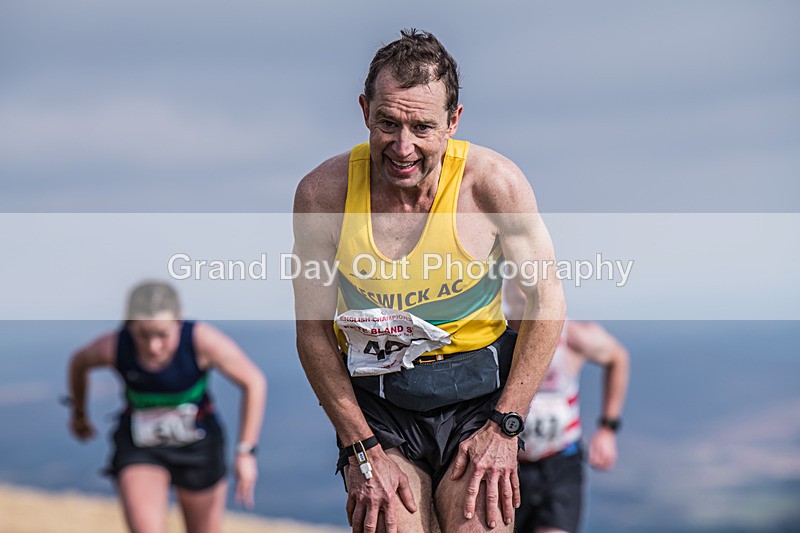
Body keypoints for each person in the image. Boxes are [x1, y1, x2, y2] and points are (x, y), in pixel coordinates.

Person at [292, 29, 565, 532]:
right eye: (388, 123)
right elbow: (311, 330)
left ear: (453, 121)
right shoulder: (323, 195)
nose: (403, 147)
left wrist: (506, 426)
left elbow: (547, 302)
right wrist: (360, 447)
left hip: (478, 399)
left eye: (422, 127)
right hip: (379, 404)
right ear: (364, 111)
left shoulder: (493, 185)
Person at [66, 281, 267, 533]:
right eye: (143, 334)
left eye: (163, 335)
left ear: (179, 321)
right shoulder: (114, 346)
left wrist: (246, 452)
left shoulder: (202, 340)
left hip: (199, 447)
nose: (153, 346)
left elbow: (254, 382)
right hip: (140, 446)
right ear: (128, 324)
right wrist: (79, 414)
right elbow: (78, 362)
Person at [505, 281, 630, 533]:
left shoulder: (571, 337)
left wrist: (607, 429)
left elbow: (618, 357)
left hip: (560, 463)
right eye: (520, 303)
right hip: (507, 466)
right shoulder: (495, 339)